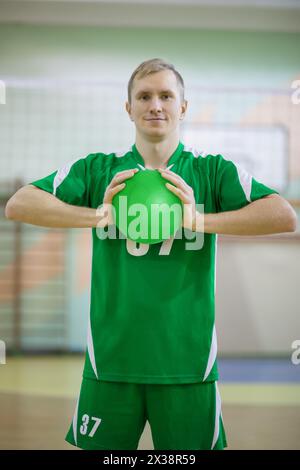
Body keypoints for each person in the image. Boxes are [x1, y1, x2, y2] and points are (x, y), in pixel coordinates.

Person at [5, 58, 297, 451]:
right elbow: (19, 204)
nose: (155, 105)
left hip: (188, 364)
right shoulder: (99, 170)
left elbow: (284, 215)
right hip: (111, 360)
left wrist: (198, 220)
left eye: (165, 95)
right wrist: (97, 214)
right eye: (143, 96)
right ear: (128, 108)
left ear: (183, 107)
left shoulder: (211, 171)